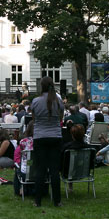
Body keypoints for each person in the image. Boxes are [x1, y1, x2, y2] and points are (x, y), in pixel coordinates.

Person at [31, 76, 64, 207]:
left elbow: (34, 118)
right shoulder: (58, 101)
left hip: (40, 137)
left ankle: (37, 201)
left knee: (40, 169)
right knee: (54, 170)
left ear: (42, 86)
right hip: (55, 136)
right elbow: (60, 118)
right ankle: (57, 201)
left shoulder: (35, 101)